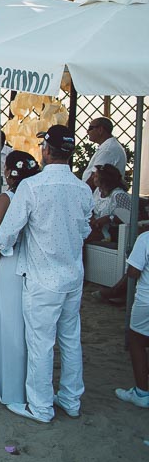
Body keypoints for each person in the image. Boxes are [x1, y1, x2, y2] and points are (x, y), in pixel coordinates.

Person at [0, 125, 92, 423]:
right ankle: (72, 400)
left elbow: (9, 231)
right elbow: (85, 230)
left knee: (41, 342)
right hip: (73, 276)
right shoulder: (83, 188)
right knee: (71, 339)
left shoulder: (32, 187)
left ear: (47, 150)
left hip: (42, 278)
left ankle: (40, 406)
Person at [0, 151, 41, 405]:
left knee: (6, 323)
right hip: (29, 263)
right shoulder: (36, 194)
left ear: (8, 171)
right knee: (22, 323)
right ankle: (23, 383)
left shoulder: (7, 198)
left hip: (6, 262)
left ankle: (4, 382)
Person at [115, 230, 149, 408]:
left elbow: (134, 272)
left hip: (146, 300)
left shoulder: (145, 239)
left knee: (136, 341)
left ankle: (141, 392)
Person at [86, 164, 134, 245]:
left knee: (80, 236)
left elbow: (128, 218)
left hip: (111, 232)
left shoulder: (119, 195)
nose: (93, 177)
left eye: (96, 176)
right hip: (96, 228)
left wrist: (109, 218)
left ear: (105, 180)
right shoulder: (98, 191)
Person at [81, 117, 126, 190]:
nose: (87, 131)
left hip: (101, 198)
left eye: (90, 128)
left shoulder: (107, 150)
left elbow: (95, 179)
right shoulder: (107, 147)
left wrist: (81, 195)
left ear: (100, 130)